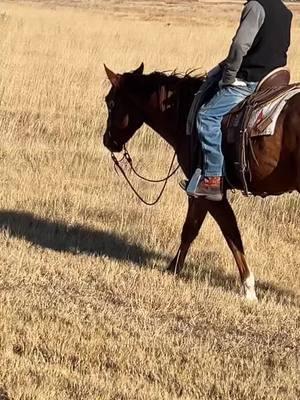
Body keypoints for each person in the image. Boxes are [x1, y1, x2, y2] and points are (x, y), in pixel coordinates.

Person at [187, 0, 293, 201]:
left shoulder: (255, 6)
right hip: (275, 80)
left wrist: (228, 76)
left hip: (250, 81)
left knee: (207, 116)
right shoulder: (285, 11)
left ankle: (212, 179)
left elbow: (239, 46)